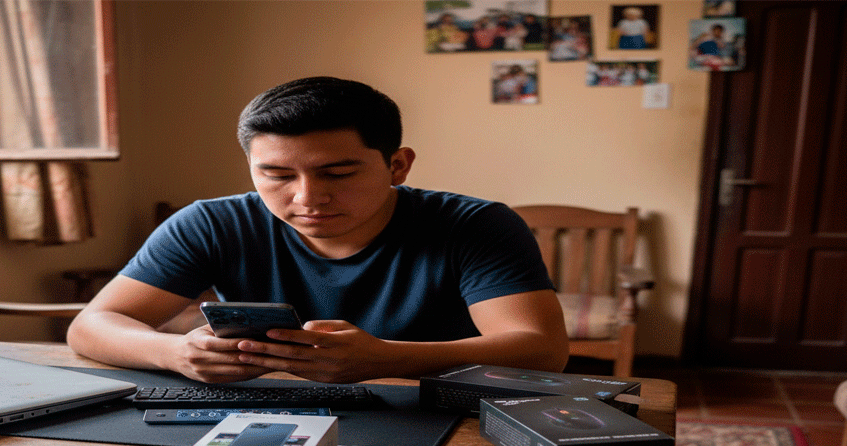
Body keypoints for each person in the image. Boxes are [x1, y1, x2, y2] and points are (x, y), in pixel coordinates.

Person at [67, 76, 569, 384]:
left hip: (433, 410)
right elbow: (91, 327)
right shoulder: (211, 223)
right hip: (265, 409)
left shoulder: (475, 225)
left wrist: (385, 359)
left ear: (397, 165)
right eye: (277, 175)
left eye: (338, 173)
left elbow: (541, 350)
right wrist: (174, 352)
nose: (307, 198)